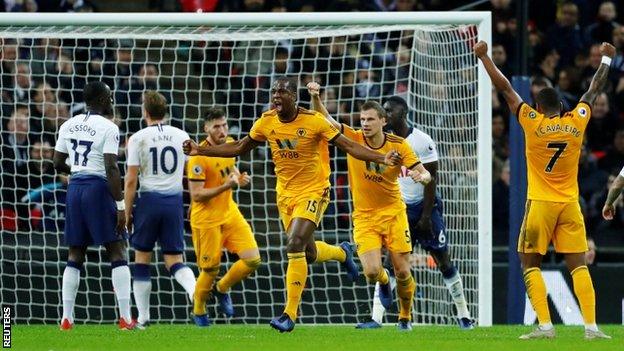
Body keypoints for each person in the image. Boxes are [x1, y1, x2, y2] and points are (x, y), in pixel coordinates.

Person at [183, 76, 401, 333]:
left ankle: (289, 313)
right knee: (307, 254)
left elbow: (350, 146)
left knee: (294, 244)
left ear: (294, 96)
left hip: (315, 191)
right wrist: (200, 150)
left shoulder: (314, 121)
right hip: (285, 195)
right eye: (274, 91)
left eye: (282, 91)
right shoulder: (267, 121)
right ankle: (343, 253)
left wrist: (381, 157)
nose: (276, 95)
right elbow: (240, 146)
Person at [475, 40, 614, 339]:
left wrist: (485, 57)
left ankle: (546, 325)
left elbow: (506, 90)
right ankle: (591, 327)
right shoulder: (577, 122)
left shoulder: (531, 122)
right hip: (569, 204)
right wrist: (606, 61)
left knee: (529, 262)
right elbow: (593, 90)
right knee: (578, 265)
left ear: (538, 107)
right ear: (563, 107)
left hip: (539, 204)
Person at [308, 82, 432, 331]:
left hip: (394, 213)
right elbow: (325, 120)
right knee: (372, 272)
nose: (365, 123)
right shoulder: (353, 137)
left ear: (383, 121)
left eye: (370, 119)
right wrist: (315, 97)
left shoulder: (398, 145)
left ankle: (405, 317)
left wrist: (423, 177)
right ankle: (385, 282)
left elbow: (424, 172)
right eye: (362, 119)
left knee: (404, 271)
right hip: (364, 216)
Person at [347, 94, 474, 329]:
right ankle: (378, 318)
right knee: (393, 265)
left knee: (443, 260)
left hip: (424, 208)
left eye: (389, 111)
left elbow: (431, 178)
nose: (385, 115)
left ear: (402, 115)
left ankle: (464, 315)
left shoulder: (421, 141)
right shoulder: (381, 142)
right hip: (398, 209)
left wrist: (426, 216)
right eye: (382, 111)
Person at [53, 81, 134, 330]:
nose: (112, 100)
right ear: (101, 99)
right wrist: (121, 205)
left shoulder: (68, 124)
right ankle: (125, 318)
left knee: (75, 253)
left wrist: (77, 171)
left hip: (75, 188)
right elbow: (111, 167)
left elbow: (56, 162)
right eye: (109, 96)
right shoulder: (109, 128)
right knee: (116, 250)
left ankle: (67, 318)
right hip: (98, 189)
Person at [124, 91, 196, 329]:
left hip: (148, 201)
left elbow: (131, 180)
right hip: (174, 202)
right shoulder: (182, 135)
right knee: (174, 259)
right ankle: (195, 292)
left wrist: (126, 211)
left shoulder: (137, 138)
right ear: (165, 111)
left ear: (145, 112)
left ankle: (143, 318)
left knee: (142, 258)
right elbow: (191, 172)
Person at [186, 107, 261, 327]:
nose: (222, 130)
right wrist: (227, 185)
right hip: (206, 219)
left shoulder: (230, 143)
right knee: (210, 269)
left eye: (224, 125)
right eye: (216, 126)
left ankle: (221, 289)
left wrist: (239, 177)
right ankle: (199, 310)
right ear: (206, 129)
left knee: (253, 259)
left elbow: (230, 170)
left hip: (230, 213)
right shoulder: (198, 157)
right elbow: (197, 195)